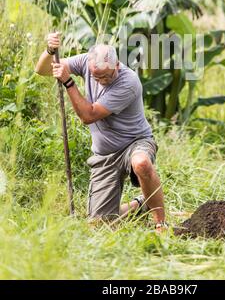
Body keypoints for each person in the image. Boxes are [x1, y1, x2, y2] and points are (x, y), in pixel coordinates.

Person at [35, 32, 167, 232]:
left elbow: (88, 115)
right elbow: (43, 70)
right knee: (99, 225)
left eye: (107, 75)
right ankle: (141, 205)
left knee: (141, 163)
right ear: (89, 66)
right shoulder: (86, 62)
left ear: (116, 65)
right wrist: (50, 51)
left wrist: (68, 82)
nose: (102, 80)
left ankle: (160, 224)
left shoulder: (128, 82)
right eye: (96, 76)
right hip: (105, 155)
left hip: (135, 142)